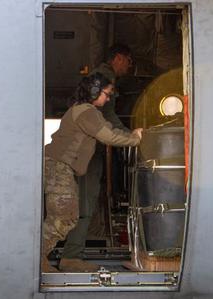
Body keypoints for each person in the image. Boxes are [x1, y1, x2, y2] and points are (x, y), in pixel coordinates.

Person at [42, 73, 143, 273]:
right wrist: (135, 139)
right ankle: (34, 258)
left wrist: (130, 136)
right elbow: (108, 135)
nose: (107, 98)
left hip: (60, 168)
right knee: (63, 216)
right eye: (106, 94)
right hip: (58, 167)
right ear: (95, 91)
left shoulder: (86, 111)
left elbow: (107, 130)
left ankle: (65, 259)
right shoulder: (87, 112)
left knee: (67, 215)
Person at [59, 44, 134, 272]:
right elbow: (107, 118)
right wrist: (130, 136)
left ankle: (71, 254)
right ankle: (71, 256)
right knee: (84, 203)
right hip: (87, 156)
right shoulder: (102, 79)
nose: (129, 67)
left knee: (83, 202)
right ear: (119, 58)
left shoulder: (99, 79)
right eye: (129, 61)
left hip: (86, 153)